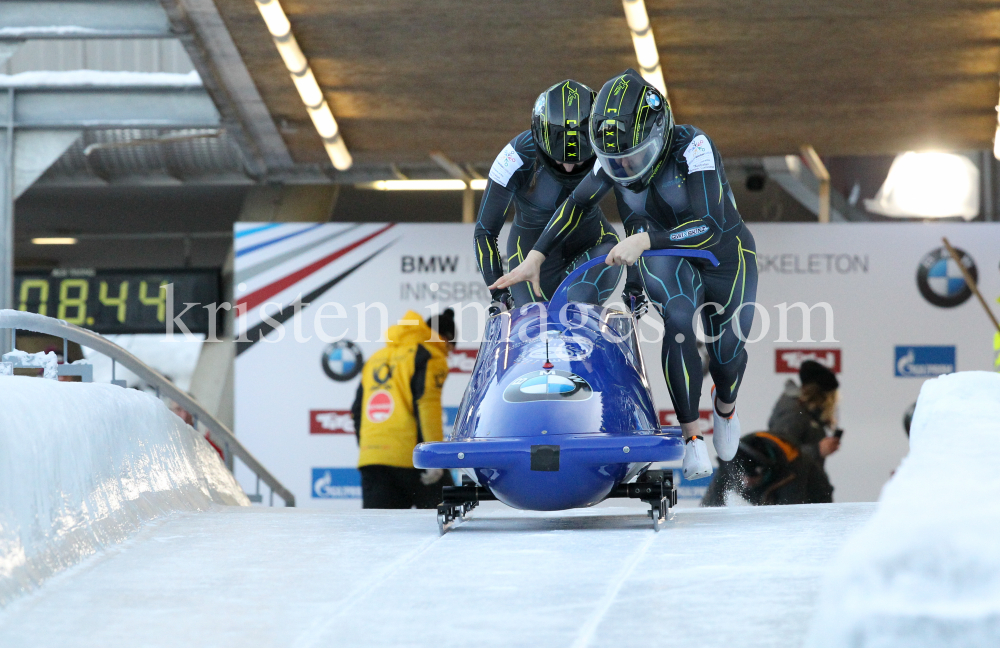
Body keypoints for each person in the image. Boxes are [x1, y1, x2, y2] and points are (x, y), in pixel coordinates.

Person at [491, 69, 758, 481]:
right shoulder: (614, 164)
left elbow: (712, 226)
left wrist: (647, 240)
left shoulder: (695, 147)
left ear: (660, 134)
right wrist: (537, 255)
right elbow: (577, 204)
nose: (626, 168)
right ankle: (692, 438)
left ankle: (725, 407)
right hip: (663, 254)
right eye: (615, 162)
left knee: (726, 357)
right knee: (680, 319)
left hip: (723, 254)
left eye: (634, 157)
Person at [474, 79, 624, 309]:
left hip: (593, 244)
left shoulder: (611, 150)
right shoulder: (515, 156)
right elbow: (485, 232)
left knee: (571, 314)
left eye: (580, 159)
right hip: (528, 253)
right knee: (537, 329)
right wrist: (499, 295)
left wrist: (635, 284)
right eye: (560, 159)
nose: (569, 168)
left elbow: (637, 212)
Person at [353, 309, 455, 509]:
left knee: (380, 535)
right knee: (448, 525)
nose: (450, 353)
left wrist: (370, 449)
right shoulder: (430, 356)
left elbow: (357, 410)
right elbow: (427, 407)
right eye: (452, 347)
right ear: (446, 339)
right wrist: (433, 457)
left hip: (372, 460)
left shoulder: (376, 358)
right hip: (412, 458)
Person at [701, 431, 834, 506]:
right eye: (741, 476)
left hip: (812, 506)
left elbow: (789, 521)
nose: (745, 482)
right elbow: (710, 504)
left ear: (765, 471)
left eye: (751, 478)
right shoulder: (732, 460)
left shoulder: (793, 471)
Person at [767, 360, 841, 469]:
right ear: (821, 397)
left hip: (802, 480)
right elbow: (780, 453)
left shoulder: (805, 411)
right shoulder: (793, 412)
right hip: (794, 482)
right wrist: (817, 450)